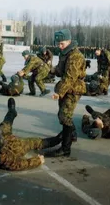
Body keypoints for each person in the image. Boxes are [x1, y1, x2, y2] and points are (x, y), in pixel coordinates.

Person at [45, 29, 86, 157]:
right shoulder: (65, 53)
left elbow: (70, 77)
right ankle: (72, 134)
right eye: (58, 43)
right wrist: (50, 69)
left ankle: (65, 148)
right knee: (62, 115)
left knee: (64, 116)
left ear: (69, 41)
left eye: (61, 43)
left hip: (74, 89)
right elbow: (60, 70)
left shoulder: (75, 56)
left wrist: (59, 92)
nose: (59, 46)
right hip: (66, 88)